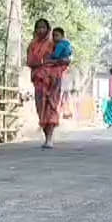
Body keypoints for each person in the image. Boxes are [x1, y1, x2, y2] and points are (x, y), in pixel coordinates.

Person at [26, 18, 70, 148]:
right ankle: (46, 137)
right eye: (38, 28)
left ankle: (49, 138)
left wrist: (53, 63)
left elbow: (66, 59)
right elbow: (29, 61)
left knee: (51, 107)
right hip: (39, 81)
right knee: (41, 109)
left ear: (48, 29)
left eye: (43, 27)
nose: (41, 30)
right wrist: (40, 63)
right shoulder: (32, 45)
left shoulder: (55, 43)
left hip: (53, 80)